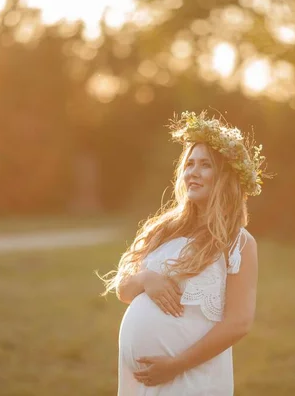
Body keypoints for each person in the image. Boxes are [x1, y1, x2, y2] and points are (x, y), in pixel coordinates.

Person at [100, 110, 273, 395]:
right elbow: (123, 290)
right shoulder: (164, 229)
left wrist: (175, 365)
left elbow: (238, 323)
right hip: (142, 382)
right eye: (189, 164)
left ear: (225, 176)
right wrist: (146, 279)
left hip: (192, 377)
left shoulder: (237, 242)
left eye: (205, 165)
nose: (193, 172)